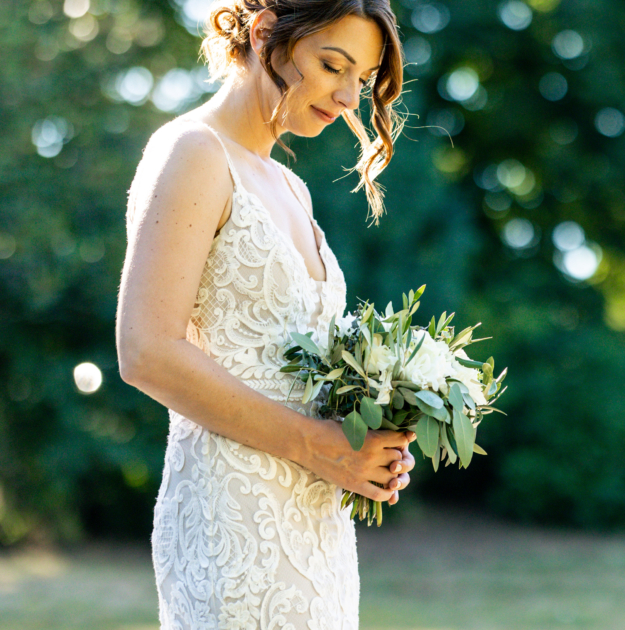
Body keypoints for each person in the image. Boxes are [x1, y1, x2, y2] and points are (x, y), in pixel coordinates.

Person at [115, 0, 409, 626]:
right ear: (266, 34)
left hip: (315, 525)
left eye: (363, 79)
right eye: (334, 66)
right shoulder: (194, 152)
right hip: (233, 519)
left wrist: (370, 434)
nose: (351, 97)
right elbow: (145, 350)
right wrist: (321, 447)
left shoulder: (291, 187)